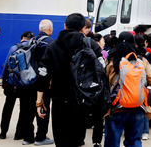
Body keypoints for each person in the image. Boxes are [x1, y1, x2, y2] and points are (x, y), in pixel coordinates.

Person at [36, 13, 103, 147]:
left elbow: (43, 74)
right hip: (83, 99)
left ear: (65, 26)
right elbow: (101, 71)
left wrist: (39, 101)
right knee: (77, 139)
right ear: (83, 27)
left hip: (59, 99)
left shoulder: (53, 46)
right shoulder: (90, 46)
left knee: (61, 139)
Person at [104, 32, 151, 147]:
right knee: (134, 142)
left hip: (116, 107)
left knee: (112, 142)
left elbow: (105, 81)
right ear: (134, 43)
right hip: (138, 107)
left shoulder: (112, 59)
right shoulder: (141, 60)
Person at [0, 31, 35, 143]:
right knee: (24, 109)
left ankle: (3, 132)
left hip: (12, 82)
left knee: (8, 107)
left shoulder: (14, 47)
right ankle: (18, 133)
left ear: (22, 38)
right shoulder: (33, 48)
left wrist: (3, 81)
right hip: (25, 84)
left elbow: (6, 65)